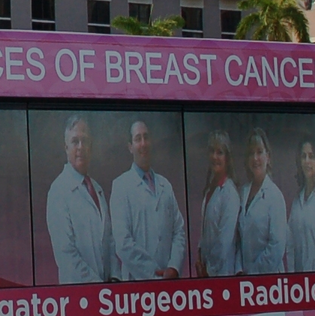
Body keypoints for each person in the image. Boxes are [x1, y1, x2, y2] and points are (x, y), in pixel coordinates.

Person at [110, 119, 187, 280]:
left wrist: (173, 267)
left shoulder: (165, 185)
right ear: (130, 147)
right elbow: (123, 243)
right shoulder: (120, 186)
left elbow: (179, 230)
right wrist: (154, 274)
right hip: (137, 283)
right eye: (138, 139)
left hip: (170, 283)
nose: (143, 143)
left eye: (146, 137)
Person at [45, 115, 111, 283]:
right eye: (75, 141)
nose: (81, 147)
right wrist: (98, 287)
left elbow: (110, 242)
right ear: (66, 147)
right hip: (79, 291)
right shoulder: (58, 191)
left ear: (91, 147)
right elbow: (66, 255)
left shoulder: (97, 189)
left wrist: (115, 280)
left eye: (85, 141)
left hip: (108, 293)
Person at [237, 128, 289, 274]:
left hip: (269, 280)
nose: (255, 158)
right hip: (243, 279)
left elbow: (277, 246)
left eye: (259, 152)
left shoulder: (275, 196)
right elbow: (238, 239)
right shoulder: (242, 193)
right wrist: (239, 271)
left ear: (268, 157)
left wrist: (253, 274)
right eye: (251, 153)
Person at [196, 129, 241, 277]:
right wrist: (200, 258)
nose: (214, 156)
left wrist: (208, 271)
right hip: (206, 273)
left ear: (227, 157)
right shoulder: (210, 189)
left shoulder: (230, 193)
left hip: (221, 274)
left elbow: (223, 243)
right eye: (212, 151)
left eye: (220, 152)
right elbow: (206, 232)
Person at [287, 137, 315, 272]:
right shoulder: (297, 201)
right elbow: (290, 244)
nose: (307, 161)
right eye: (303, 156)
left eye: (311, 156)